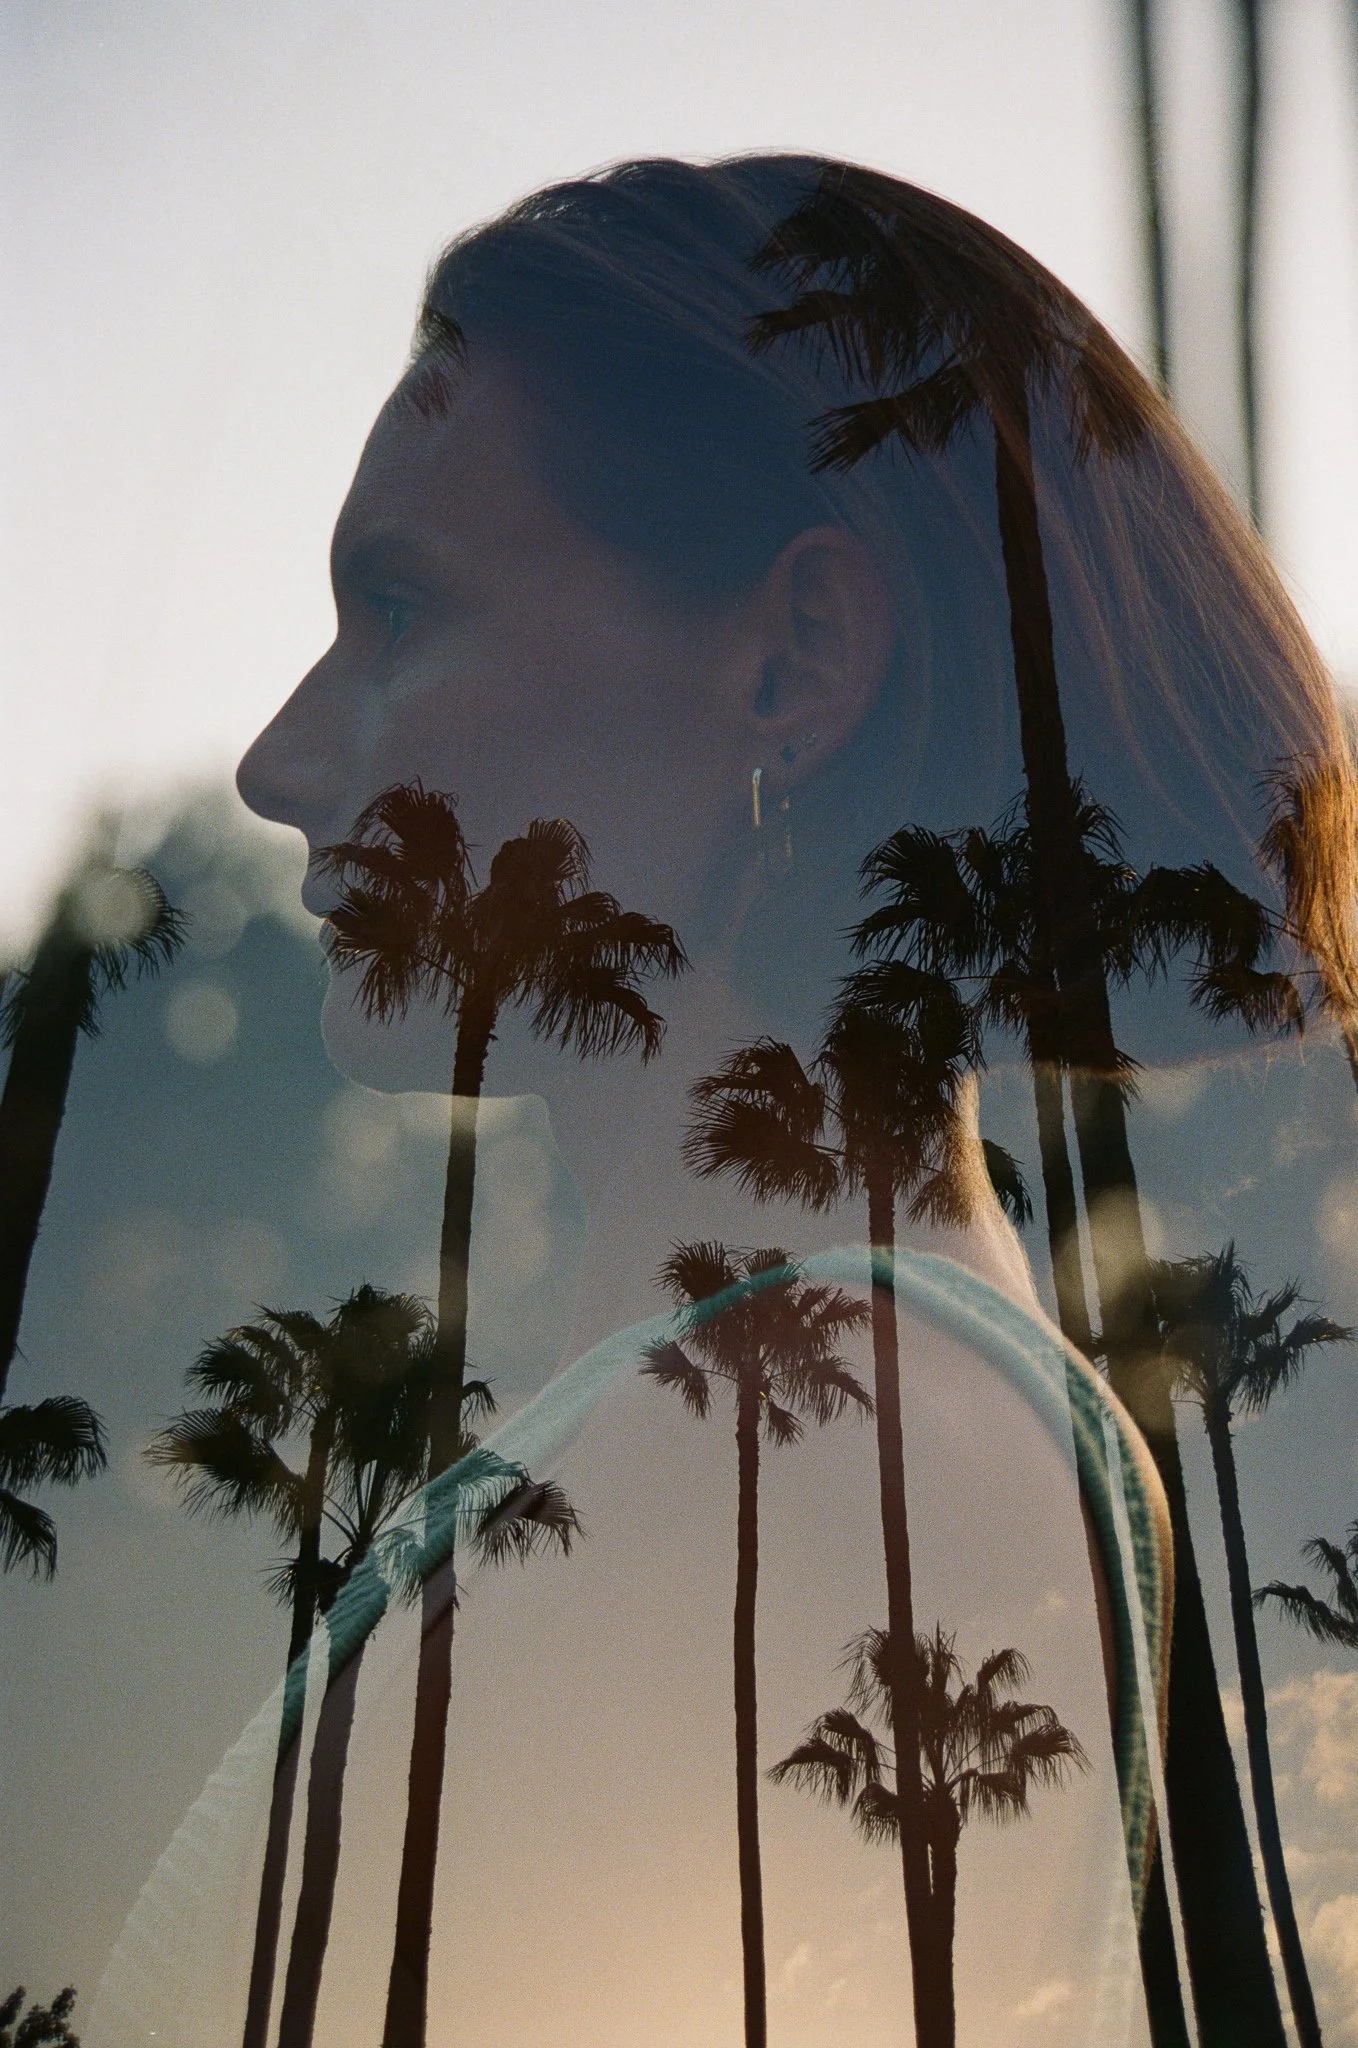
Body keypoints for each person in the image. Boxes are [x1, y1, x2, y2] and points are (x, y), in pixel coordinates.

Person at [117, 156, 1356, 2048]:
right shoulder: (798, 1411)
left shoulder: (804, 1451)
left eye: (401, 609)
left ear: (793, 658)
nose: (281, 761)